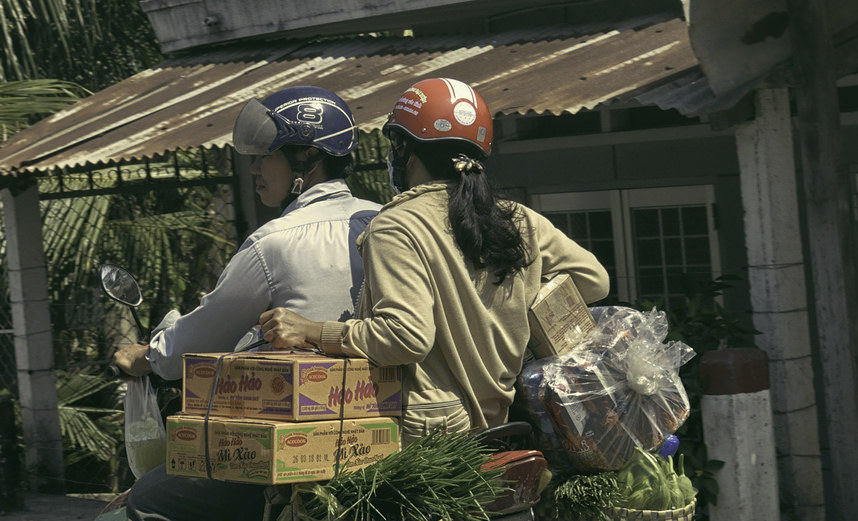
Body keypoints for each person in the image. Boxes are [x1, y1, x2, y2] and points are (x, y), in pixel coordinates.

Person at [119, 86, 379, 521]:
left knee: (152, 501)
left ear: (305, 161)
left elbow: (197, 337)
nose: (254, 170)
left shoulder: (275, 242)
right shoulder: (383, 223)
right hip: (381, 431)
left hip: (298, 444)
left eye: (264, 157)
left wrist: (148, 353)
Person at [258, 77, 609, 441]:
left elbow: (405, 339)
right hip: (502, 418)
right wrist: (511, 298)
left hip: (428, 434)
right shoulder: (516, 219)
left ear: (404, 149)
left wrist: (312, 331)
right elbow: (594, 280)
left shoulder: (396, 226)